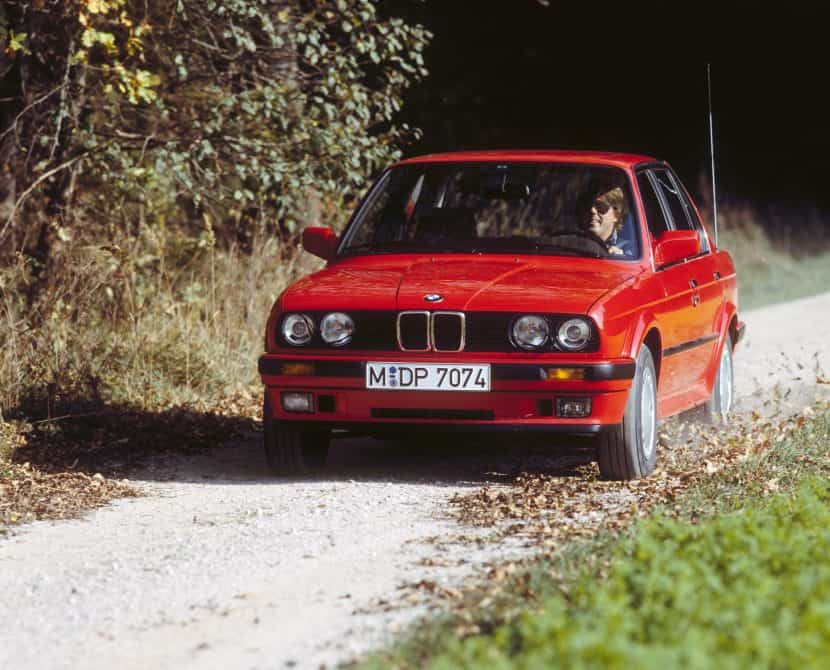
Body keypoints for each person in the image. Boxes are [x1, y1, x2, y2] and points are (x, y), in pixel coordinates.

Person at [585, 186, 630, 256]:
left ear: (616, 215)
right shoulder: (569, 244)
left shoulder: (630, 250)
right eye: (588, 205)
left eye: (600, 206)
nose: (592, 210)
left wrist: (620, 259)